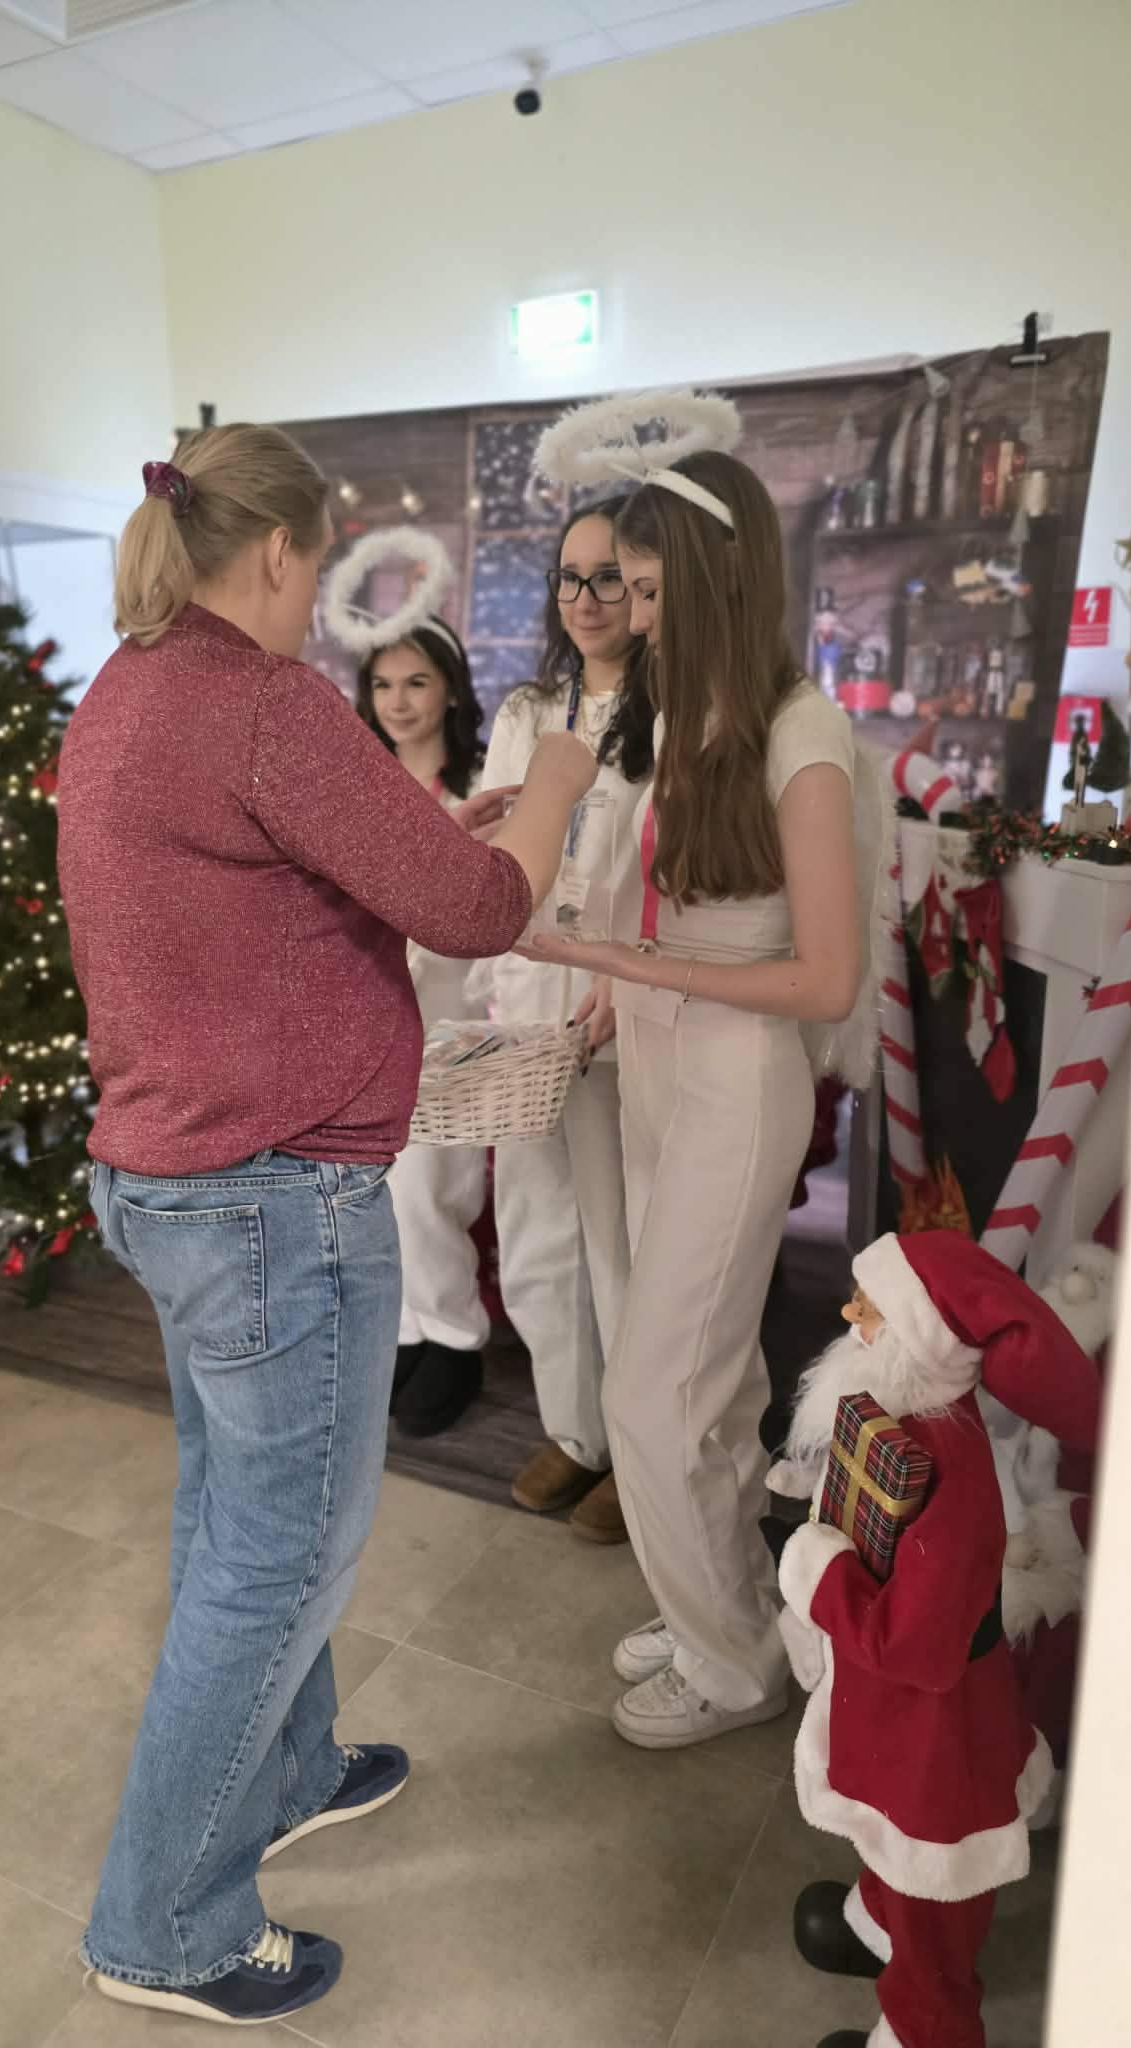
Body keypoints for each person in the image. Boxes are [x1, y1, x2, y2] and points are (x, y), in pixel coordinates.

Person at [56, 425, 594, 2030]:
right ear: (283, 551)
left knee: (235, 1514)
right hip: (270, 1197)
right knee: (281, 1558)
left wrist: (440, 828)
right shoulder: (263, 701)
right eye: (320, 565)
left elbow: (272, 890)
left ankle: (290, 1772)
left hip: (177, 1176)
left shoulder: (132, 686)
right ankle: (164, 1925)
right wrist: (556, 790)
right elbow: (484, 909)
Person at [523, 406, 877, 1748]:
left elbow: (824, 979)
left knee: (652, 1387)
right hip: (665, 1067)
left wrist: (626, 961)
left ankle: (729, 1668)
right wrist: (616, 984)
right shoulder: (690, 717)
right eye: (625, 588)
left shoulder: (801, 731)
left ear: (721, 582)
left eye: (654, 592)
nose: (635, 617)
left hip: (738, 1083)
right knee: (712, 1387)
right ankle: (719, 1609)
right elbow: (669, 906)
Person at [770, 1231, 1101, 2048]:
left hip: (935, 1738)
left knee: (934, 1915)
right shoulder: (903, 1424)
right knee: (890, 1846)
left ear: (916, 1337)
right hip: (895, 1716)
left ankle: (926, 2028)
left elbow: (920, 1646)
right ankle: (878, 1924)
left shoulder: (941, 1467)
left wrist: (820, 1576)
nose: (848, 1314)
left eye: (869, 1308)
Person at [481, 497, 654, 1544]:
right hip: (529, 997)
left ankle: (640, 1453)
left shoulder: (671, 711)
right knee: (536, 1226)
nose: (586, 598)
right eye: (569, 576)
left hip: (620, 1006)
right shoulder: (527, 709)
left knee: (620, 1235)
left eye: (609, 576)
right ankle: (575, 1429)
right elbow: (499, 851)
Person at [354, 612, 493, 1438]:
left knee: (432, 1187)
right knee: (378, 1188)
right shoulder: (356, 789)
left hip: (451, 1012)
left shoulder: (480, 791)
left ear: (450, 690)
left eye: (416, 682)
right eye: (382, 684)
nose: (398, 702)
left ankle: (456, 1337)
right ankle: (407, 1330)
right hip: (366, 1013)